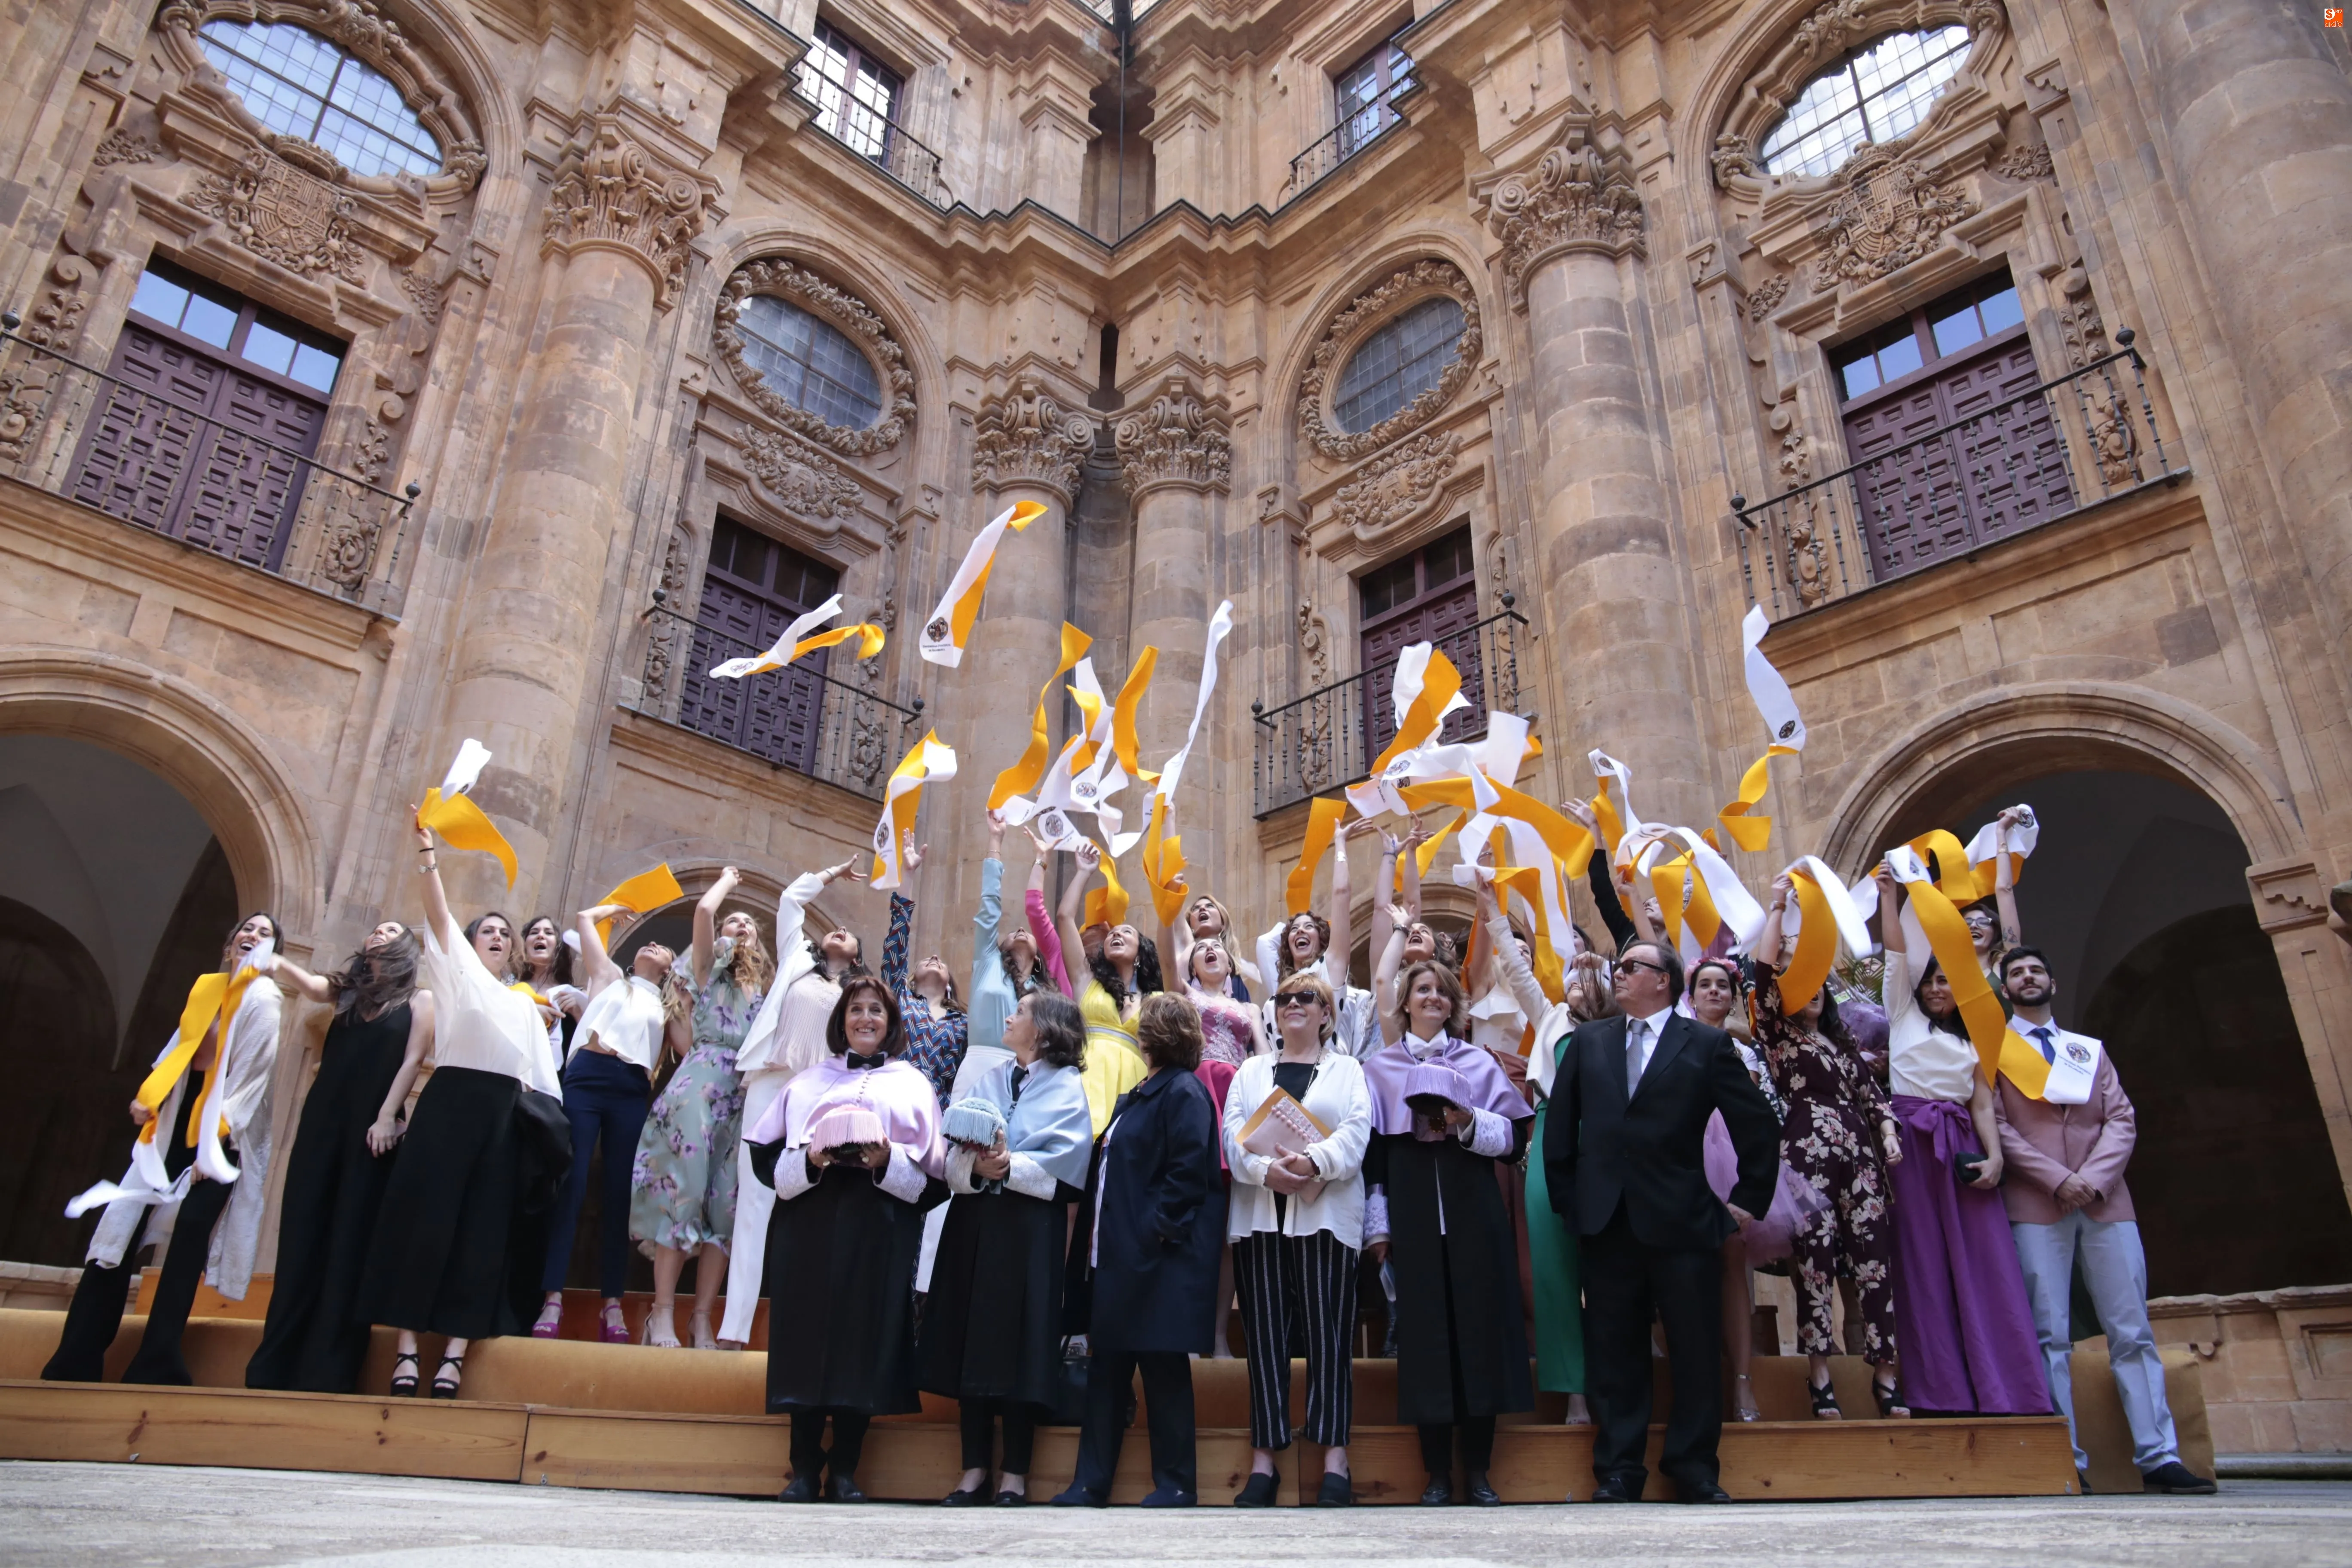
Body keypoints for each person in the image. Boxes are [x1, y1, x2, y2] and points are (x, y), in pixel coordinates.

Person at [1545, 937, 1779, 1504]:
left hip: (1683, 1220)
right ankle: (1621, 1469)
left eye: (1630, 967)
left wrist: (1747, 1201)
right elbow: (1561, 1132)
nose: (1618, 975)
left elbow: (1757, 1126)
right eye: (1618, 967)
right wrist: (1571, 1202)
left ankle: (1695, 1467)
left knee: (1695, 1348)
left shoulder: (1705, 1044)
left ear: (1665, 981)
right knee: (1615, 1348)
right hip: (1606, 1222)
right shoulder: (1588, 1042)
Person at [1994, 947, 2216, 1494]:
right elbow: (1997, 1127)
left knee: (2131, 1328)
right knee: (2049, 1332)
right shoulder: (1994, 1052)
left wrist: (2091, 1179)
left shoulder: (2085, 1051)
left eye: (2035, 970)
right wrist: (2056, 1179)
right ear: (2005, 990)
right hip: (2037, 1203)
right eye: (2017, 973)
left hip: (2105, 1200)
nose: (2027, 978)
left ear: (2052, 980)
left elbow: (2121, 1117)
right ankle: (2064, 1457)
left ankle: (2159, 1455)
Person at [359, 815, 564, 1398]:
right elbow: (439, 915)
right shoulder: (456, 978)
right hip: (448, 1105)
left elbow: (542, 1085)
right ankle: (405, 1350)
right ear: (471, 945)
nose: (499, 936)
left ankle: (453, 1353)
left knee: (481, 1235)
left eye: (507, 932)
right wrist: (429, 853)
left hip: (502, 1119)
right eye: (489, 931)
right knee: (420, 1226)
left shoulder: (528, 1006)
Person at [45, 913, 285, 1386]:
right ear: (230, 941)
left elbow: (249, 1082)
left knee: (186, 1245)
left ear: (273, 952)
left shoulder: (265, 1000)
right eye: (247, 929)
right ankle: (76, 1360)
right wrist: (149, 1097)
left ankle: (156, 1365)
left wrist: (209, 1149)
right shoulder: (207, 989)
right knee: (118, 1234)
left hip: (219, 1141)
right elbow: (176, 1051)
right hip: (173, 1127)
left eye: (265, 933)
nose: (252, 936)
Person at [746, 973, 947, 1502]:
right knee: (804, 1339)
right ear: (842, 1021)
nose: (865, 1019)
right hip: (808, 1223)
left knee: (866, 1338)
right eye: (856, 1010)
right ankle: (802, 1468)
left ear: (891, 1024)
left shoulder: (913, 1083)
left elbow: (934, 1182)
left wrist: (887, 1160)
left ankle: (846, 1470)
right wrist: (811, 1158)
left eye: (876, 1012)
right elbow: (766, 1158)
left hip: (877, 1227)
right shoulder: (808, 1079)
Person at [1872, 865, 2050, 1418]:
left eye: (1946, 982)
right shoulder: (1901, 1014)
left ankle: (2007, 1392)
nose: (1937, 988)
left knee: (1984, 1264)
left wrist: (1996, 1157)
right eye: (1932, 981)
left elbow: (1981, 1103)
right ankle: (1937, 1391)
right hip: (1910, 1144)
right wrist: (1889, 894)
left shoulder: (1976, 1039)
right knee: (1921, 1260)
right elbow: (1898, 954)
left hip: (1963, 1149)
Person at [1363, 943, 1536, 1506]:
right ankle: (1436, 1473)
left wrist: (1465, 1121)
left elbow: (1512, 1141)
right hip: (1412, 1220)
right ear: (1406, 1004)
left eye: (1442, 990)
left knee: (1478, 1338)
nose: (1433, 996)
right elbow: (1376, 1164)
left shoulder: (1477, 1063)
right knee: (1425, 1343)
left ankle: (1479, 1471)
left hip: (1472, 1214)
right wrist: (1379, 1231)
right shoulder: (1382, 1069)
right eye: (1423, 990)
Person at [1055, 994, 1227, 1508]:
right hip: (1117, 1261)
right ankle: (1090, 1483)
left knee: (1163, 1372)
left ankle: (1177, 1483)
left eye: (1144, 1026)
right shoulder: (1138, 1095)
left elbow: (1189, 1172)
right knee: (1106, 1374)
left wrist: (1156, 1232)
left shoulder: (1184, 1092)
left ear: (1159, 1035)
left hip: (1157, 1263)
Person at [246, 923, 434, 1392]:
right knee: (303, 1230)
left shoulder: (420, 1001)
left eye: (391, 930)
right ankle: (275, 1366)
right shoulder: (348, 991)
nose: (378, 933)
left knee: (351, 1238)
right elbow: (311, 987)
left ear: (407, 946)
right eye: (375, 929)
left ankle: (328, 1369)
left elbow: (413, 1061)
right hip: (323, 1120)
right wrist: (278, 962)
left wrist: (388, 1116)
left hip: (374, 1128)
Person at [922, 991, 1092, 1506]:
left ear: (1042, 1029)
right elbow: (952, 1147)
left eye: (1020, 1011)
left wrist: (1009, 1166)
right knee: (973, 1338)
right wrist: (973, 1168)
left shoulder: (1068, 1088)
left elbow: (1070, 1164)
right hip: (975, 1222)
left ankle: (1015, 1473)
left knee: (1024, 1343)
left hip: (1029, 1231)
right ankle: (973, 1469)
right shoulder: (989, 1079)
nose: (1011, 1017)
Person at [1751, 873, 1906, 1420]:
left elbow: (1875, 1099)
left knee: (1874, 1262)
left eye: (1818, 983)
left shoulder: (1844, 1046)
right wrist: (1776, 908)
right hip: (1807, 1155)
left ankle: (1886, 1376)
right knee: (1815, 1262)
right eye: (1803, 983)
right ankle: (1820, 1376)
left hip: (1863, 1159)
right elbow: (1763, 974)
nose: (1812, 988)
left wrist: (1888, 1133)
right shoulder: (1777, 1034)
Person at [1221, 969, 1371, 1507]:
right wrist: (1267, 1173)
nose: (1293, 1004)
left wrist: (1312, 1162)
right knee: (1264, 1338)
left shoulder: (1348, 1069)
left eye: (1307, 997)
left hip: (1325, 1214)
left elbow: (1357, 1132)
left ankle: (1335, 1457)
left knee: (1329, 1336)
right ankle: (1264, 1460)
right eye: (1284, 998)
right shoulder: (1252, 1070)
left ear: (1327, 1014)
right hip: (1260, 1216)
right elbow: (1233, 1130)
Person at [718, 857, 867, 1348]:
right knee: (754, 1202)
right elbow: (789, 901)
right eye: (835, 929)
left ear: (858, 954)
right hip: (772, 1083)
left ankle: (798, 1333)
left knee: (808, 1204)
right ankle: (734, 1331)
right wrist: (832, 875)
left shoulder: (858, 995)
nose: (840, 929)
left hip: (820, 1095)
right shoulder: (798, 959)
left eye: (849, 933)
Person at [1476, 878, 1606, 1427]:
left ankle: (1615, 1377)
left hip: (1604, 1141)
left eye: (1587, 975)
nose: (1575, 983)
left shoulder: (1622, 1031)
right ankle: (1573, 1391)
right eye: (1570, 976)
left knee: (1607, 1268)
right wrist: (1491, 910)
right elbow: (1516, 963)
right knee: (1551, 1271)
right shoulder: (1549, 1015)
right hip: (1550, 1135)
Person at [630, 867, 770, 1349]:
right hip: (701, 1085)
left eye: (749, 924)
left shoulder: (764, 995)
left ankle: (702, 1318)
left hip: (743, 1098)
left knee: (726, 1209)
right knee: (681, 1195)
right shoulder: (709, 972)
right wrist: (731, 880)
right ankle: (662, 1313)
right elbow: (705, 910)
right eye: (736, 923)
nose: (742, 926)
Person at [535, 904, 673, 1345]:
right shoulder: (611, 978)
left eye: (664, 948)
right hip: (589, 1077)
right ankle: (552, 1297)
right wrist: (616, 909)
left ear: (670, 968)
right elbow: (581, 920)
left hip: (631, 1087)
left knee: (619, 1193)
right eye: (650, 944)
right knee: (572, 1183)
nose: (655, 945)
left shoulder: (668, 1005)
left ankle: (612, 1302)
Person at [1680, 954, 1803, 1424]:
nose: (1715, 991)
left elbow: (1745, 1118)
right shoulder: (1674, 1038)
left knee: (1733, 1270)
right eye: (1705, 985)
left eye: (1723, 985)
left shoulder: (1745, 1052)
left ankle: (1743, 1382)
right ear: (1689, 997)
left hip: (1725, 1158)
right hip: (1686, 1153)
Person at [1256, 819, 1385, 1059]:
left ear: (1323, 940)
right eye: (1294, 930)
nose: (1300, 932)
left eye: (1309, 928)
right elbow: (1264, 942)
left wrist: (1340, 844)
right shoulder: (1278, 993)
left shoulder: (1328, 973)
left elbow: (1341, 895)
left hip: (1331, 1078)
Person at [1055, 839, 1159, 1134]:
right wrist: (1084, 873)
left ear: (1142, 951)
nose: (1116, 934)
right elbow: (1064, 917)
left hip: (1136, 1086)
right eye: (1112, 933)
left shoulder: (1156, 999)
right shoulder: (1087, 981)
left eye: (1126, 932)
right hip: (1084, 1080)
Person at [882, 839, 970, 1107]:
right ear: (911, 977)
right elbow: (897, 941)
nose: (934, 958)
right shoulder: (898, 999)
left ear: (950, 985)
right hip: (892, 1096)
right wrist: (908, 875)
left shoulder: (963, 1023)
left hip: (937, 1109)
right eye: (926, 961)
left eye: (941, 961)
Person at [516, 916, 582, 1086]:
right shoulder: (511, 989)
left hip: (556, 1084)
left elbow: (588, 1046)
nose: (540, 936)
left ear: (559, 946)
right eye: (534, 932)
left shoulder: (573, 995)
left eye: (548, 933)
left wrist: (577, 1013)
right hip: (515, 1077)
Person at [1184, 936, 1264, 1069]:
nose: (1209, 948)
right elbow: (1167, 963)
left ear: (1229, 967)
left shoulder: (1251, 1010)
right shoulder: (1184, 995)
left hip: (1237, 1082)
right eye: (1201, 948)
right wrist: (1168, 919)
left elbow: (1264, 1058)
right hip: (1197, 1079)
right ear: (1193, 970)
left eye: (1217, 946)